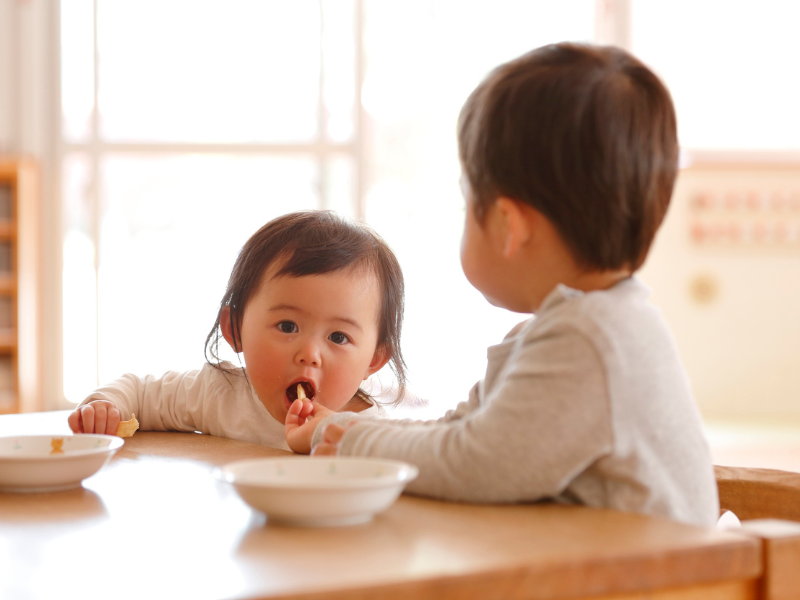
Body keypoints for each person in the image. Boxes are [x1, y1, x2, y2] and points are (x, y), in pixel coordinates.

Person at [285, 42, 719, 527]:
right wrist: (338, 427)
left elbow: (474, 462)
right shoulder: (582, 325)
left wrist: (349, 440)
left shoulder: (589, 339)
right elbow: (462, 431)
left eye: (466, 206)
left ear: (510, 225)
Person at [68, 210, 407, 451]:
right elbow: (140, 394)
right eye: (288, 326)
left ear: (374, 359)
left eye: (338, 337)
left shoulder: (375, 437)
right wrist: (105, 405)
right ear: (234, 330)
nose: (310, 354)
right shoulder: (220, 395)